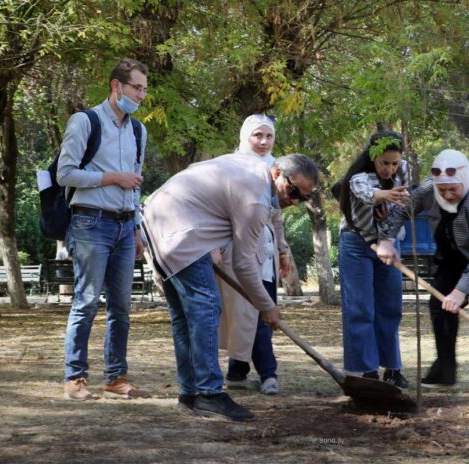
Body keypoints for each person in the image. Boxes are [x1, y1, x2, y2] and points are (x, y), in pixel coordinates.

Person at [142, 153, 318, 421]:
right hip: (178, 230)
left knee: (185, 317)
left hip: (158, 218)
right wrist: (267, 306)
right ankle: (209, 395)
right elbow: (244, 263)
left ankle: (190, 394)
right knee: (207, 306)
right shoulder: (256, 199)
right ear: (276, 173)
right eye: (292, 191)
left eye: (302, 198)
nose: (294, 201)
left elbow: (198, 174)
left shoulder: (251, 169)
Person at [377, 149, 469, 397]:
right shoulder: (428, 189)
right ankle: (444, 371)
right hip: (452, 255)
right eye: (442, 190)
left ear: (463, 180)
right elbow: (401, 210)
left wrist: (461, 291)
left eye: (452, 189)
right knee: (439, 305)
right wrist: (387, 239)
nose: (446, 194)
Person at [58, 58, 150, 401]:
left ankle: (116, 378)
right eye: (136, 88)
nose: (141, 95)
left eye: (144, 89)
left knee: (121, 308)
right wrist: (113, 178)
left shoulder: (139, 130)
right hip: (90, 223)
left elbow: (135, 184)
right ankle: (75, 379)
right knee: (85, 302)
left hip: (125, 226)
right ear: (116, 86)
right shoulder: (86, 121)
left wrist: (137, 229)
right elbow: (65, 174)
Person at [217, 114, 290, 395]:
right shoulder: (231, 167)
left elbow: (277, 216)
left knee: (260, 311)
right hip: (238, 251)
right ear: (245, 137)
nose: (263, 141)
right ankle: (269, 373)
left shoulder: (276, 169)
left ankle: (237, 371)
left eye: (269, 136)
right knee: (249, 313)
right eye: (257, 135)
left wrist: (283, 250)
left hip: (267, 254)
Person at [337, 131, 411, 388]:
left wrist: (391, 219)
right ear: (373, 157)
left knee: (390, 307)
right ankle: (365, 371)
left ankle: (393, 369)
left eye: (394, 163)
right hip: (357, 243)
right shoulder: (358, 177)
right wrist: (386, 196)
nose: (390, 169)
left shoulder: (404, 171)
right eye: (384, 163)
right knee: (361, 309)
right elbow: (367, 194)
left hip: (389, 243)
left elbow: (406, 205)